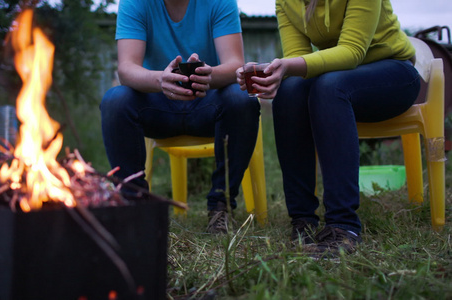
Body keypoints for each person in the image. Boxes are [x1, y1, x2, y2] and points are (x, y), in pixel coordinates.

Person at [237, 0, 420, 257]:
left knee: (329, 87)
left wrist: (288, 66)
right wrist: (273, 72)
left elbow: (352, 51)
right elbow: (297, 59)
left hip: (394, 74)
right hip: (340, 78)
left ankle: (343, 225)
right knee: (289, 91)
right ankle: (303, 221)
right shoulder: (286, 2)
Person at [100, 0, 261, 234]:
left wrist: (210, 75)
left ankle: (220, 205)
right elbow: (126, 69)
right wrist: (160, 80)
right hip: (156, 106)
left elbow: (235, 64)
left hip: (209, 104)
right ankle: (136, 207)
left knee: (242, 97)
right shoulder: (135, 3)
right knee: (115, 100)